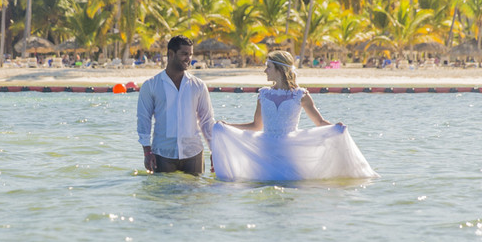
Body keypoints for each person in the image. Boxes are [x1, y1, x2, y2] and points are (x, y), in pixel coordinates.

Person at [210, 50, 377, 182]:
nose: (264, 70)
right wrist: (227, 126)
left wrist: (335, 127)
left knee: (289, 186)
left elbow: (318, 122)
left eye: (268, 66)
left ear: (279, 69)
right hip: (265, 150)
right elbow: (256, 126)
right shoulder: (264, 94)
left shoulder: (300, 95)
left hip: (290, 149)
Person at [136, 35, 215, 175]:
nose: (188, 59)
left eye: (190, 54)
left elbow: (207, 120)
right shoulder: (151, 85)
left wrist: (214, 151)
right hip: (163, 154)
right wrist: (146, 152)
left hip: (193, 153)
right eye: (184, 54)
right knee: (163, 195)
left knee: (195, 195)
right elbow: (143, 119)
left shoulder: (198, 85)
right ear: (171, 54)